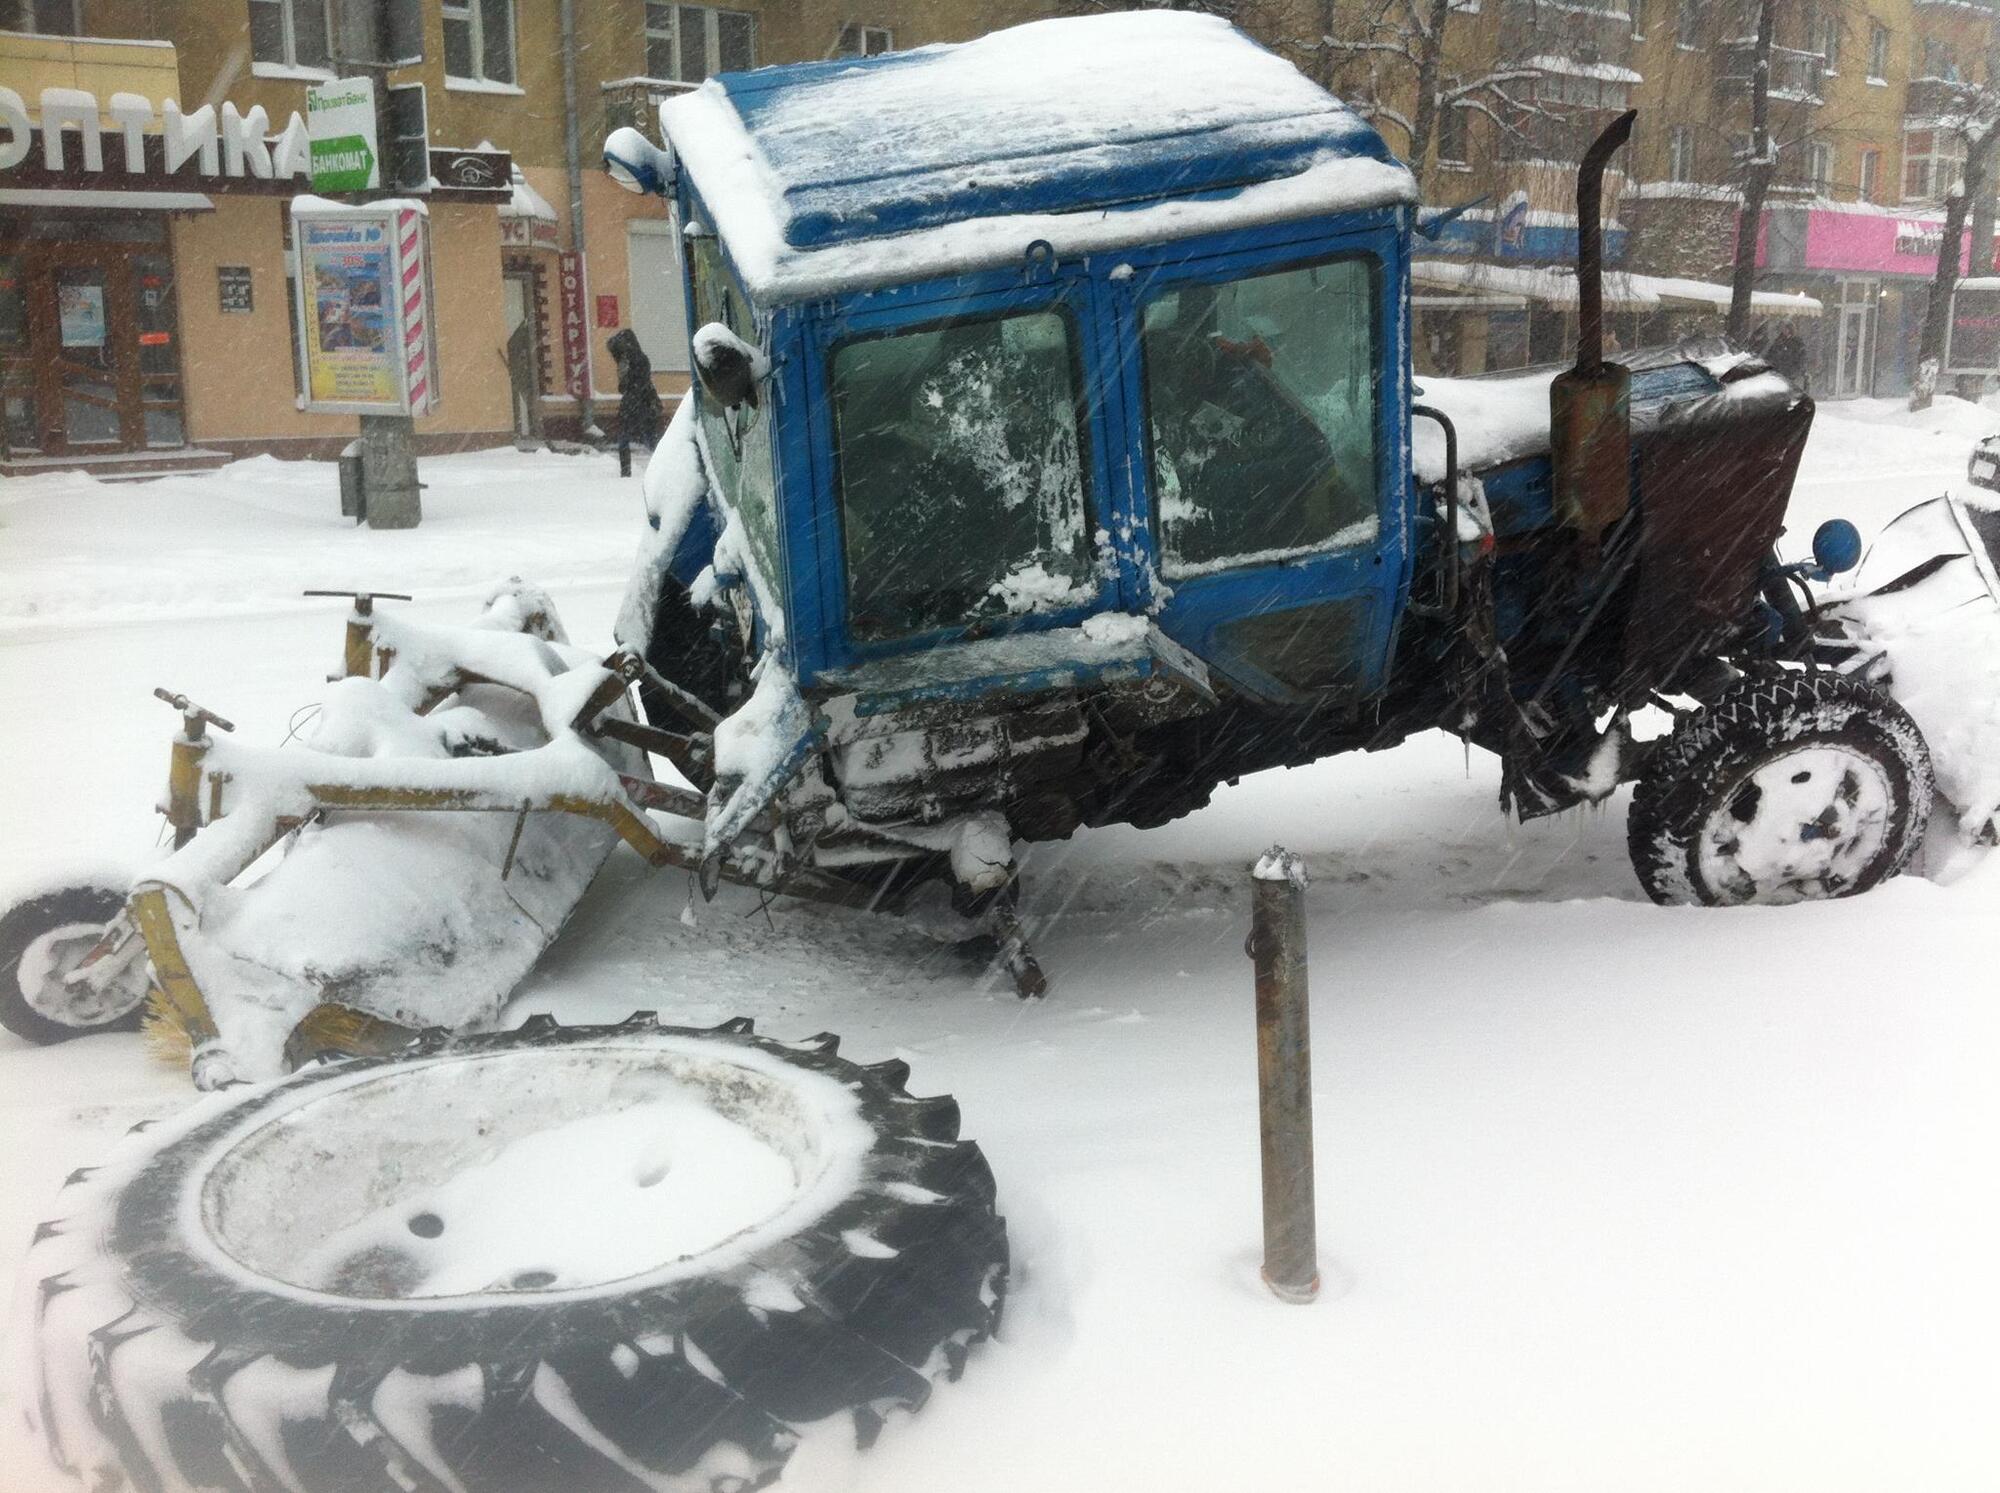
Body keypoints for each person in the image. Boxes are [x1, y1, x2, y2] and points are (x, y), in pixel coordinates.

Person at [607, 328, 663, 476]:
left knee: (627, 437)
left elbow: (632, 383)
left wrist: (632, 393)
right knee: (648, 437)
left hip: (635, 401)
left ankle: (626, 471)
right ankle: (662, 464)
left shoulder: (628, 359)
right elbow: (644, 382)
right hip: (642, 401)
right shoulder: (633, 358)